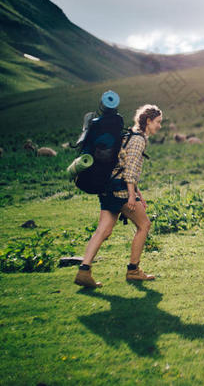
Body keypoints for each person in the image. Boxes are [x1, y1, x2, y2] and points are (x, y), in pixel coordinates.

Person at [74, 104, 163, 288]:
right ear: (148, 121)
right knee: (144, 225)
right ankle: (133, 270)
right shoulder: (138, 140)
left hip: (108, 187)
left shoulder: (128, 135)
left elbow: (121, 164)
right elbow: (129, 170)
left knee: (103, 230)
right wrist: (132, 196)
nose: (159, 126)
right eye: (158, 122)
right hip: (121, 190)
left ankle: (84, 271)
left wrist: (138, 194)